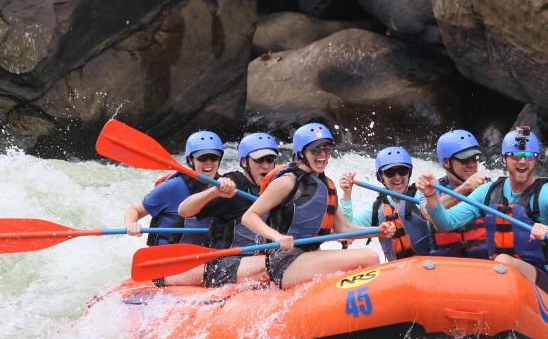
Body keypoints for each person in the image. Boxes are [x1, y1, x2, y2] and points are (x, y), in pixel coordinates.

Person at [416, 126, 548, 297]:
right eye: (516, 155)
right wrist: (432, 198)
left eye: (529, 156)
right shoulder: (489, 191)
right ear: (504, 158)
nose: (522, 161)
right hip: (498, 277)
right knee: (494, 265)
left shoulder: (546, 192)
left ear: (535, 159)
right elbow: (446, 223)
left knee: (503, 261)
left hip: (538, 279)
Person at [242, 123, 396, 289]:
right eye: (315, 150)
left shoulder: (328, 185)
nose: (322, 155)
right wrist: (276, 236)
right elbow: (249, 216)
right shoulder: (287, 182)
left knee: (366, 258)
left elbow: (343, 228)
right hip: (286, 261)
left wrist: (377, 231)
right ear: (302, 153)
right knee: (370, 257)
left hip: (310, 256)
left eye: (327, 149)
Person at [175, 132, 281, 286]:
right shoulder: (233, 184)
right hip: (224, 265)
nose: (265, 165)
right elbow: (184, 210)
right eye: (259, 160)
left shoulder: (277, 186)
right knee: (279, 264)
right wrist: (214, 192)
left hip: (259, 260)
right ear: (245, 162)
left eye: (270, 160)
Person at [124, 130, 225, 285]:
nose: (209, 163)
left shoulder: (225, 187)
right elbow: (135, 211)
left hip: (203, 261)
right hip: (167, 264)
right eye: (202, 158)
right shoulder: (174, 186)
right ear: (191, 160)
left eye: (214, 157)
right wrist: (131, 224)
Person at [338, 146, 430, 261]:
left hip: (428, 264)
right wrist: (347, 195)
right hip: (397, 269)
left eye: (402, 171)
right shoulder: (377, 207)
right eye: (390, 172)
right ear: (381, 176)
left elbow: (433, 210)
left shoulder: (421, 195)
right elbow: (347, 230)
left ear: (409, 173)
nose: (397, 177)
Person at [419, 129, 491, 258]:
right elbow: (428, 213)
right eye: (464, 160)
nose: (472, 164)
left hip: (484, 262)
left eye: (475, 158)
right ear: (446, 163)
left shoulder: (491, 187)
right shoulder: (430, 189)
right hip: (446, 263)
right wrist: (464, 188)